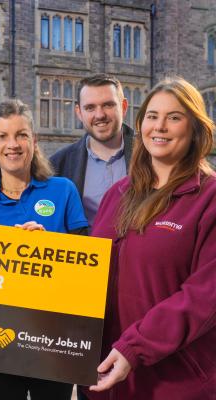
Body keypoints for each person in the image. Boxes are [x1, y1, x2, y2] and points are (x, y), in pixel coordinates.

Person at [84, 77, 216, 399]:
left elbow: (204, 297)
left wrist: (134, 347)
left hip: (174, 384)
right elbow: (89, 269)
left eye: (174, 117)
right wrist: (42, 250)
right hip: (105, 379)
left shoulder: (209, 198)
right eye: (153, 116)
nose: (160, 126)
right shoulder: (117, 194)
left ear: (195, 129)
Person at [0, 99, 89, 400]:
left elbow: (86, 262)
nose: (13, 144)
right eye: (2, 136)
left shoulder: (63, 190)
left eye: (21, 135)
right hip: (0, 337)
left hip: (54, 334)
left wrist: (49, 247)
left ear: (34, 141)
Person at [50, 73, 134, 231]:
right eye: (90, 107)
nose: (100, 115)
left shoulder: (151, 156)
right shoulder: (57, 165)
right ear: (79, 112)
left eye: (108, 105)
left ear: (123, 107)